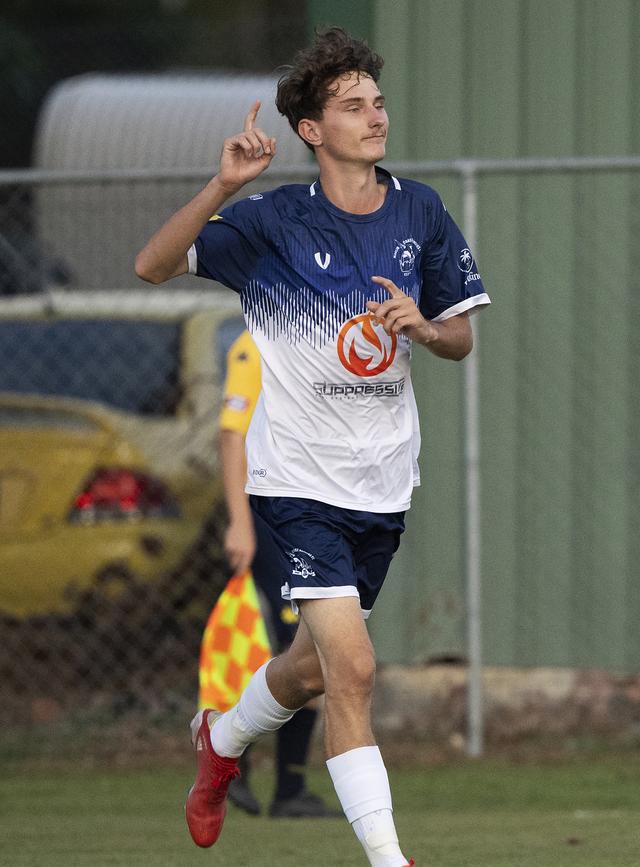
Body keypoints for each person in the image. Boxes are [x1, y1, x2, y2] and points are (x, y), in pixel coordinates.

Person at [135, 25, 490, 867]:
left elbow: (460, 339)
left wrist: (425, 329)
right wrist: (221, 184)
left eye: (378, 101)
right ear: (310, 129)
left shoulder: (420, 210)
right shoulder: (270, 221)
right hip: (295, 481)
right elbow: (152, 264)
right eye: (352, 105)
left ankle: (221, 741)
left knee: (309, 670)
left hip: (382, 480)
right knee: (355, 669)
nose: (375, 116)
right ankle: (391, 859)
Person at [201, 327, 336, 818]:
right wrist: (240, 523)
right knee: (304, 648)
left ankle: (284, 786)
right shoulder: (253, 344)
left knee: (311, 648)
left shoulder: (317, 335)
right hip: (269, 516)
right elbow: (231, 432)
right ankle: (231, 754)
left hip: (310, 511)